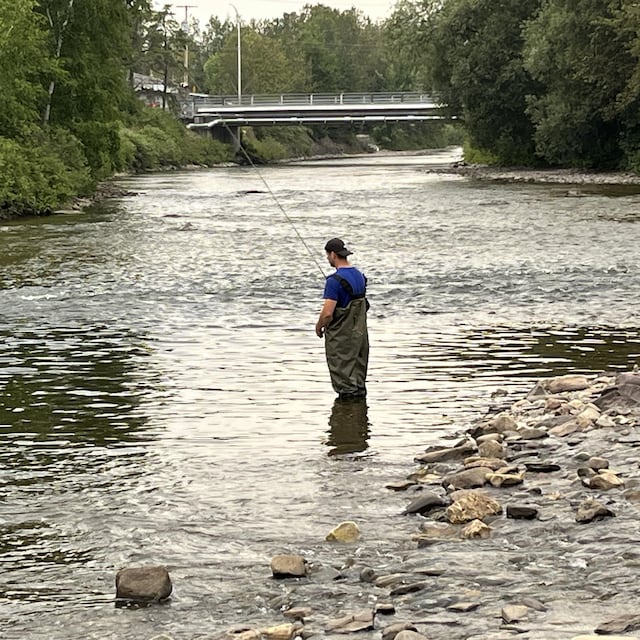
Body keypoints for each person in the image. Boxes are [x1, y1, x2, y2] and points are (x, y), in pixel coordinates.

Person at [315, 238, 369, 399]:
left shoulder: (334, 281)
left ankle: (347, 417)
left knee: (344, 380)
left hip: (342, 338)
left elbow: (328, 313)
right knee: (358, 378)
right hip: (360, 336)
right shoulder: (360, 275)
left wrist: (319, 327)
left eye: (327, 255)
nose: (327, 259)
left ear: (333, 254)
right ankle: (359, 414)